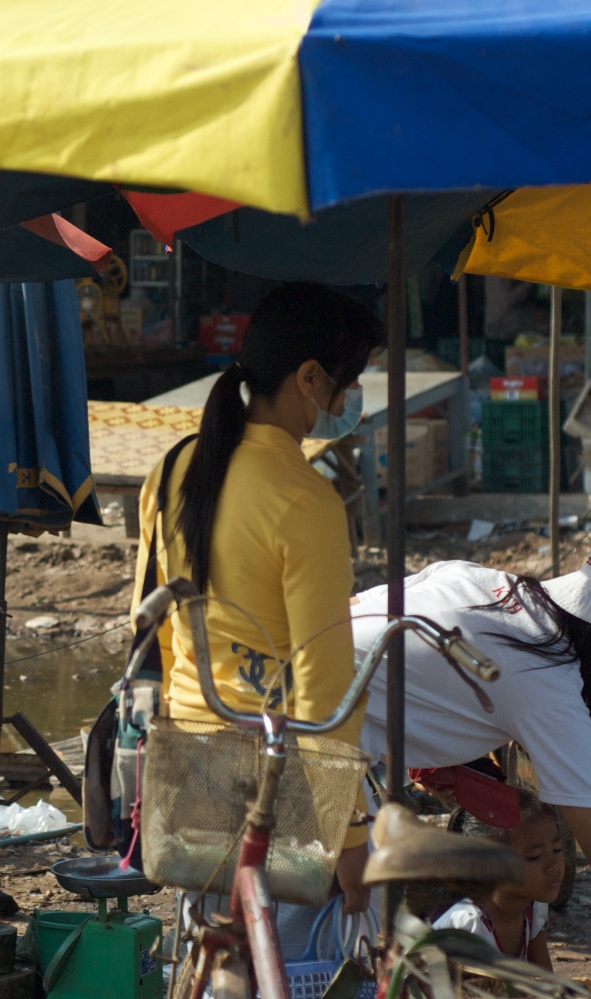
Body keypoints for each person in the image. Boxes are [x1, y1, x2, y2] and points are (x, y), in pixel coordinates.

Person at [351, 527, 591, 999]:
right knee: (344, 936)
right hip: (305, 736)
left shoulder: (495, 588)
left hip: (283, 689)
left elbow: (422, 671)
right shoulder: (546, 686)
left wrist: (455, 757)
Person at [132, 282, 383, 913]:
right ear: (308, 378)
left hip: (182, 763)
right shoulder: (308, 502)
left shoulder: (174, 467)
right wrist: (349, 833)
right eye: (345, 382)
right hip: (275, 783)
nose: (347, 399)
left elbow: (158, 631)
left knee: (210, 944)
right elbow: (324, 691)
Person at [432, 789, 561, 969]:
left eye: (557, 849)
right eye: (534, 856)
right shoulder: (467, 927)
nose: (553, 865)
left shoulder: (533, 908)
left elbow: (545, 981)